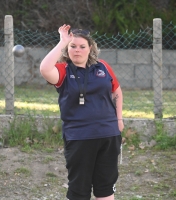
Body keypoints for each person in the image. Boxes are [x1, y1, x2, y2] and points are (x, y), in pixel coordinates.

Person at [40, 24, 124, 200]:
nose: (77, 50)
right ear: (67, 49)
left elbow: (117, 91)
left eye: (82, 46)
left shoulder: (103, 67)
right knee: (79, 189)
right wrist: (62, 42)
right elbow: (45, 69)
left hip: (108, 135)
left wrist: (119, 119)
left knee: (106, 187)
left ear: (90, 48)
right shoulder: (63, 70)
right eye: (73, 46)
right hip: (80, 137)